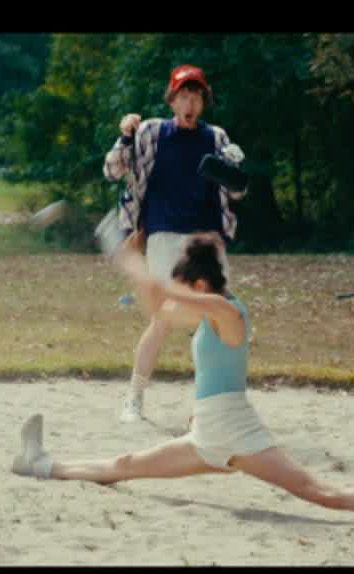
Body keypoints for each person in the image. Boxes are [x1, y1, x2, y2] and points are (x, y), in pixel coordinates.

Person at [12, 234, 354, 529]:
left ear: (200, 284)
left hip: (236, 433)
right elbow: (160, 308)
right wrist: (135, 269)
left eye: (188, 285)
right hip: (206, 434)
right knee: (126, 464)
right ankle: (40, 464)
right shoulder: (207, 310)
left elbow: (166, 295)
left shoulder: (228, 312)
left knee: (321, 493)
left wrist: (131, 260)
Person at [103, 64, 246, 423]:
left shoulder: (217, 138)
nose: (190, 103)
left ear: (203, 101)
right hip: (164, 235)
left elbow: (238, 191)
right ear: (172, 100)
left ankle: (209, 406)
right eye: (183, 96)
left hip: (207, 239)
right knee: (164, 316)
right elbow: (112, 170)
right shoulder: (151, 132)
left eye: (196, 96)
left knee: (214, 318)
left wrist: (233, 169)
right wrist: (125, 136)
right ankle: (134, 397)